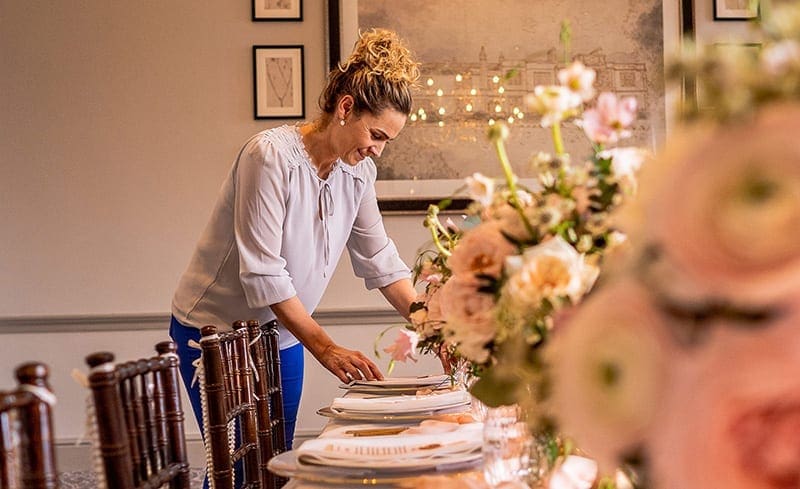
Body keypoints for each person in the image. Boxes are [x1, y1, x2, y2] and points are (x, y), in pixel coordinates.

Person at [168, 27, 420, 463]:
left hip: (283, 334)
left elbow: (380, 258)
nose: (378, 150)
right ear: (346, 108)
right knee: (235, 470)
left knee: (274, 464)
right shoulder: (269, 156)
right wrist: (325, 346)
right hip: (215, 333)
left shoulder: (358, 173)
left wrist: (436, 327)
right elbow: (263, 272)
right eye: (376, 135)